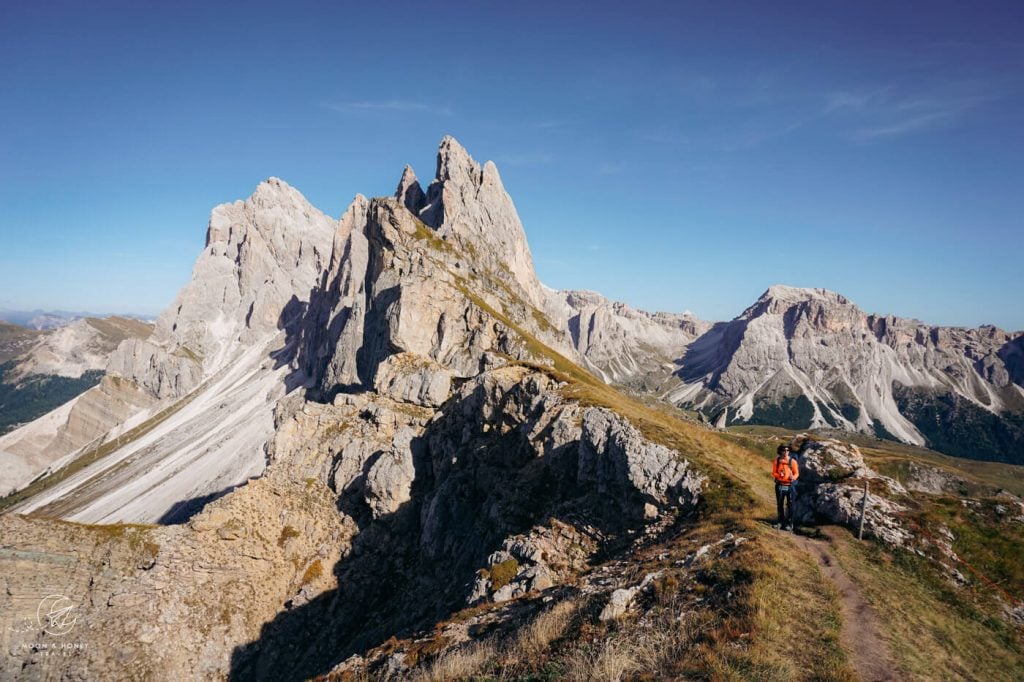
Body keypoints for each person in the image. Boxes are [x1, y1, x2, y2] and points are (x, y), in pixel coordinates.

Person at [772, 444, 799, 531]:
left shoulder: (793, 461)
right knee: (780, 504)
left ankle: (790, 524)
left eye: (787, 450)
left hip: (790, 486)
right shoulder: (777, 461)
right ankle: (780, 522)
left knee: (791, 505)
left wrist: (793, 477)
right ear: (780, 451)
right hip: (779, 485)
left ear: (789, 451)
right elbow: (774, 473)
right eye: (784, 450)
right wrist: (779, 475)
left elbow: (796, 473)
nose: (786, 452)